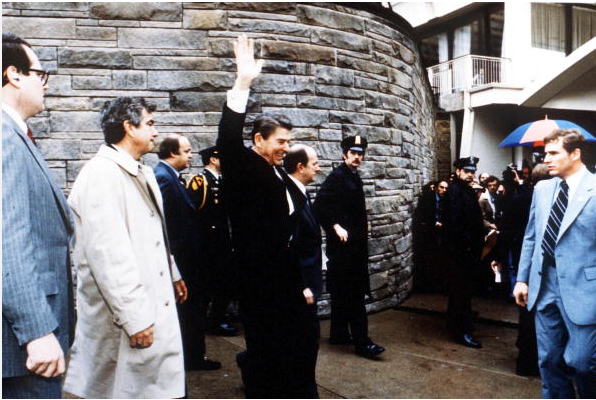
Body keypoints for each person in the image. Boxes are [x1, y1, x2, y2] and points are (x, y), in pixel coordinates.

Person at [63, 97, 186, 398]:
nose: (156, 132)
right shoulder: (101, 175)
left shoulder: (138, 169)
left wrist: (173, 273)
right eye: (150, 124)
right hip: (126, 315)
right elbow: (108, 255)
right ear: (129, 127)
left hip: (149, 299)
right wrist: (135, 319)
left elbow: (153, 232)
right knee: (121, 388)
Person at [217, 34, 315, 398]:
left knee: (286, 349)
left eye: (289, 143)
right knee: (267, 352)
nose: (285, 149)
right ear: (258, 140)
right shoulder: (244, 165)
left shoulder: (277, 172)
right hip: (259, 280)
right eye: (280, 142)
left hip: (282, 278)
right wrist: (242, 82)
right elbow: (228, 138)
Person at [2, 32, 75, 399]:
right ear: (14, 74)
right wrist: (36, 331)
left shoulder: (16, 135)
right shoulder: (3, 137)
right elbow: (7, 241)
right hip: (24, 345)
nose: (44, 85)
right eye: (40, 75)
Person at [513, 129, 596, 398]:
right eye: (545, 153)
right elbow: (531, 237)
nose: (545, 159)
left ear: (575, 154)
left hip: (585, 292)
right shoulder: (542, 188)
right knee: (548, 362)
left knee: (583, 364)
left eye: (553, 153)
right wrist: (522, 279)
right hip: (543, 286)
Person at [314, 135, 385, 359]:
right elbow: (319, 206)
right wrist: (335, 225)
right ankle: (363, 344)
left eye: (360, 153)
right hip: (344, 248)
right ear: (344, 154)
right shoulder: (337, 177)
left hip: (354, 246)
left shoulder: (353, 176)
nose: (357, 157)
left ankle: (339, 334)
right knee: (353, 295)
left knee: (343, 292)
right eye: (353, 153)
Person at [154, 135, 222, 371]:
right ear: (173, 153)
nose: (191, 155)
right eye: (187, 151)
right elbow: (162, 224)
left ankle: (192, 355)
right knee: (190, 311)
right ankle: (192, 358)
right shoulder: (163, 178)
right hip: (182, 261)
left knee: (193, 310)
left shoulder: (173, 178)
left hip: (189, 259)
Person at [283, 144, 323, 398]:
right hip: (300, 286)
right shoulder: (288, 196)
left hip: (307, 279)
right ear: (300, 167)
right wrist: (301, 285)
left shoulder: (300, 192)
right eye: (315, 163)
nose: (318, 167)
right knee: (305, 342)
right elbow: (287, 246)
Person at [187, 145, 239, 337]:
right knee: (207, 285)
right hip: (207, 244)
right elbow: (192, 213)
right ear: (213, 159)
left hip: (223, 242)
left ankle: (217, 319)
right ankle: (207, 322)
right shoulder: (200, 181)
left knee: (224, 284)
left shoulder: (222, 181)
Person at [442, 156, 484, 348]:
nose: (470, 175)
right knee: (461, 291)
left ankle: (456, 324)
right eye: (467, 172)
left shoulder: (465, 190)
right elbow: (454, 224)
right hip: (460, 251)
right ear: (458, 171)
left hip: (467, 250)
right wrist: (466, 245)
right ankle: (462, 331)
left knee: (462, 291)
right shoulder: (454, 192)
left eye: (472, 172)